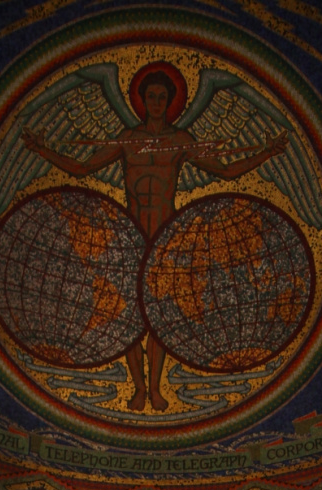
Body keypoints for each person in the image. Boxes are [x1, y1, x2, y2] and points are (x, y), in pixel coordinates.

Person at [22, 70, 287, 410]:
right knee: (131, 316)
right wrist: (42, 151)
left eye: (163, 98)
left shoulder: (181, 140)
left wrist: (267, 153)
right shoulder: (126, 139)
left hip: (166, 235)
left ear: (172, 103)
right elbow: (80, 170)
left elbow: (225, 172)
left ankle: (157, 388)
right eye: (152, 97)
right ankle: (138, 388)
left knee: (158, 317)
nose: (158, 103)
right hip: (130, 233)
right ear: (142, 101)